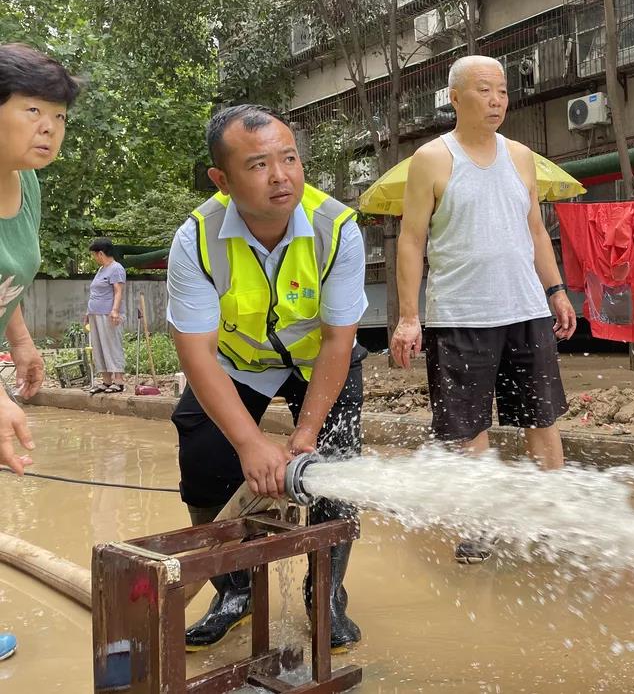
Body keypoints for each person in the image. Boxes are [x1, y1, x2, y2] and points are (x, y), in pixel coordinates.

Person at [166, 105, 367, 653]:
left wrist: (304, 436)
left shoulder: (337, 228)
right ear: (222, 180)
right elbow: (198, 353)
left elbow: (336, 340)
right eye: (258, 165)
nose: (281, 176)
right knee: (205, 458)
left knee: (335, 465)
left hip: (315, 361)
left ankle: (325, 592)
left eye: (289, 158)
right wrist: (250, 443)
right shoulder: (196, 239)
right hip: (235, 363)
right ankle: (234, 592)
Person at [391, 55, 576, 564]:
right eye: (483, 90)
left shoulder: (521, 157)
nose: (496, 100)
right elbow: (411, 240)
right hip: (459, 316)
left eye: (501, 91)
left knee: (543, 419)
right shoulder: (432, 158)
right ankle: (483, 525)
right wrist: (409, 317)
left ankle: (551, 520)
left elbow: (536, 231)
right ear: (454, 98)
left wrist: (556, 289)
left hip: (523, 310)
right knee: (468, 429)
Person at [0, 43, 81, 662]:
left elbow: (9, 279)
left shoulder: (25, 186)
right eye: (32, 111)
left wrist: (20, 339)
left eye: (58, 116)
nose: (49, 129)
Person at [84, 237, 126, 393]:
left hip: (108, 314)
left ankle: (119, 381)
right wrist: (88, 313)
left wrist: (114, 310)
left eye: (94, 255)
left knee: (112, 345)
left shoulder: (116, 268)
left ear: (100, 253)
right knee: (99, 347)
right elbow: (95, 293)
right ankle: (106, 381)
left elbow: (118, 291)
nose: (94, 258)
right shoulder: (101, 270)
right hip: (95, 313)